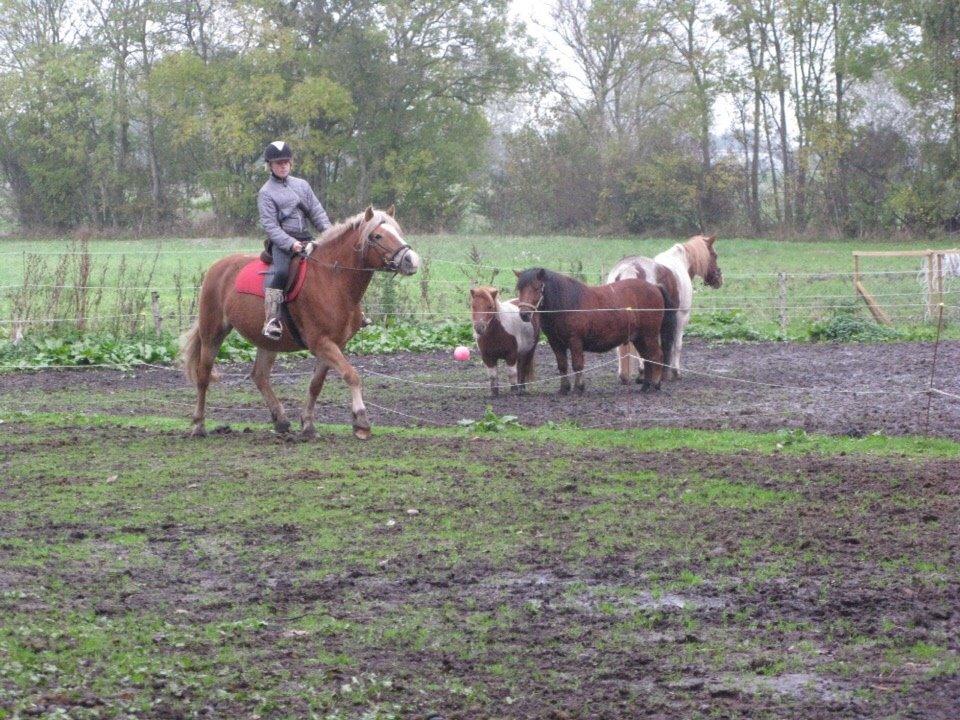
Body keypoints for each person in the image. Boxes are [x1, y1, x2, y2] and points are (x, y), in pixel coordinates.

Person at [257, 140, 332, 340]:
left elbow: (317, 213)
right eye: (278, 163)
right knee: (280, 272)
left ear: (291, 163)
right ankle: (271, 320)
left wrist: (331, 235)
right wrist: (291, 243)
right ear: (270, 166)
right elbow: (271, 226)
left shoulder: (302, 185)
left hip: (306, 238)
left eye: (285, 162)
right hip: (283, 244)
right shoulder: (266, 193)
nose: (282, 166)